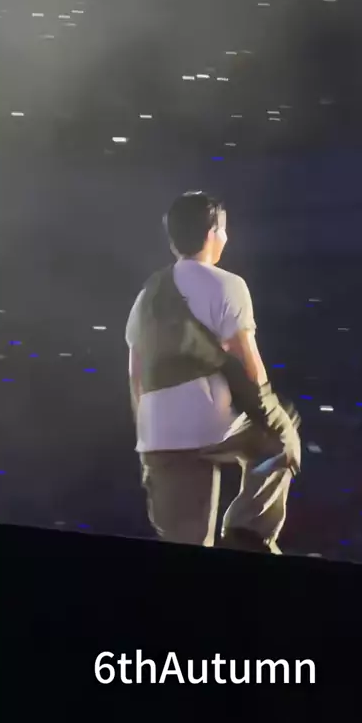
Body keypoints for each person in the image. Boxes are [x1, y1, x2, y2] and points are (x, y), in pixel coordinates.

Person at [125, 191, 301, 552]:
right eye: (224, 230)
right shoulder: (227, 284)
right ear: (213, 232)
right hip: (212, 423)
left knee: (185, 543)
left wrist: (148, 432)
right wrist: (271, 413)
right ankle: (246, 534)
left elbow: (136, 372)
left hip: (156, 435)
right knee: (281, 441)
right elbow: (248, 361)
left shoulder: (146, 296)